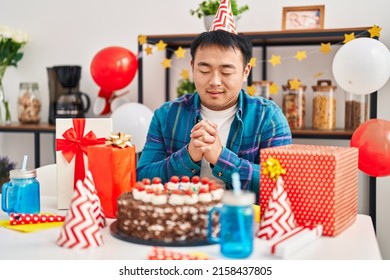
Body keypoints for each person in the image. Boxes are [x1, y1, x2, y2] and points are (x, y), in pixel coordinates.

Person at [136, 30, 292, 201]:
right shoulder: (167, 116)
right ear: (192, 68)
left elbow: (283, 183)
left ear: (246, 71)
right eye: (204, 70)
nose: (215, 81)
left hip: (242, 221)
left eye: (226, 72)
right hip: (180, 221)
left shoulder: (268, 117)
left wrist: (222, 158)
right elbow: (142, 177)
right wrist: (188, 156)